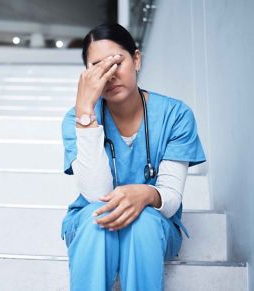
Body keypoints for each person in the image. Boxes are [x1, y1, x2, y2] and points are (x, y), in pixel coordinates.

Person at [59, 23, 206, 291]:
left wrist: (146, 195)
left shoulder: (176, 115)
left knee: (144, 221)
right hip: (93, 223)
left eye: (115, 62)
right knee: (96, 218)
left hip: (154, 226)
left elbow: (170, 198)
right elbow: (96, 193)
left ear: (136, 59)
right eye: (98, 68)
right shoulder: (76, 119)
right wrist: (85, 113)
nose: (109, 75)